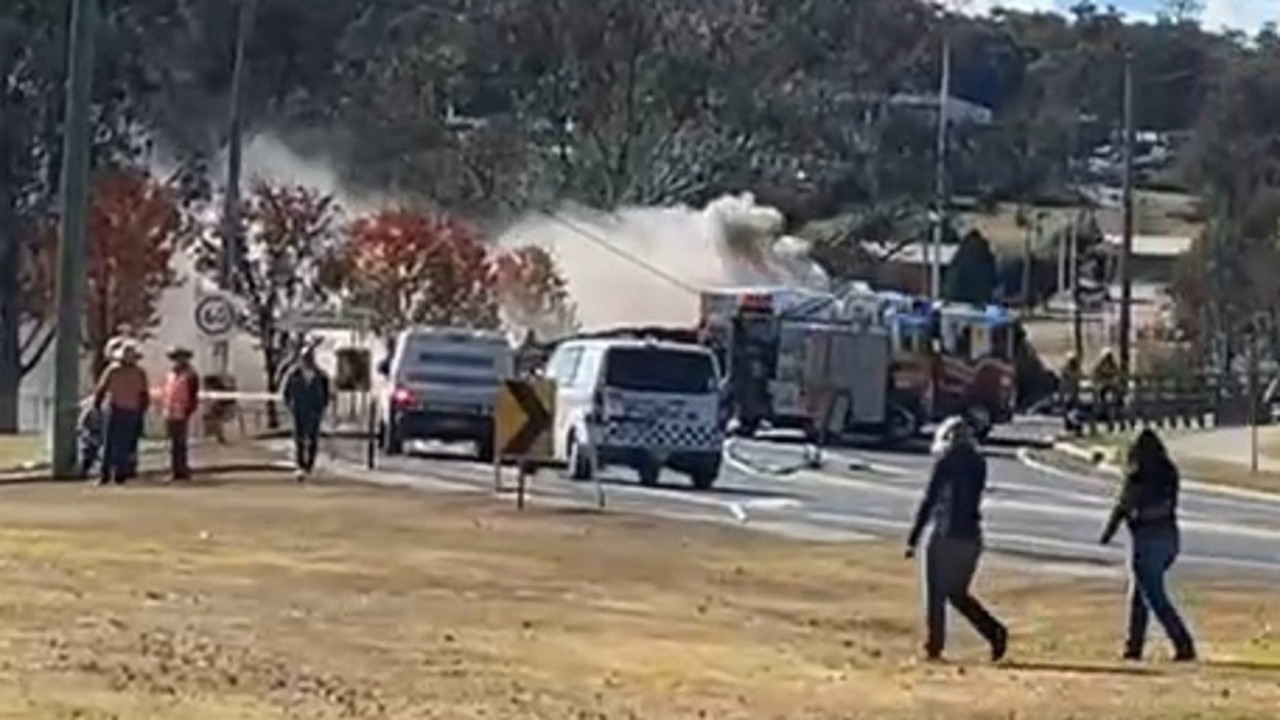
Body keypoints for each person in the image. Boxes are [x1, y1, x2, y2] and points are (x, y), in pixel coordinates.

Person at [906, 415, 1008, 662]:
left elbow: (930, 500)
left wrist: (913, 538)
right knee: (957, 593)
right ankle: (994, 631)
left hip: (945, 533)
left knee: (936, 593)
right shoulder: (979, 463)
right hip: (972, 536)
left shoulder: (946, 462)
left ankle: (934, 646)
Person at [1100, 429, 1197, 662]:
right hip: (1170, 537)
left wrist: (1107, 534)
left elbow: (1122, 507)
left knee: (1154, 597)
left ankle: (1183, 643)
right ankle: (1133, 647)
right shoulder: (1170, 473)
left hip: (1145, 539)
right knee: (1139, 595)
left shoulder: (1137, 477)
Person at [92, 340, 150, 485]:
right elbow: (101, 388)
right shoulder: (113, 370)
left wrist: (141, 410)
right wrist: (97, 405)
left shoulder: (139, 373)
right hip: (114, 408)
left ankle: (120, 474)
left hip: (131, 410)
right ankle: (105, 474)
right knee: (109, 443)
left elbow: (144, 394)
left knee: (124, 444)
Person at [282, 348, 331, 481]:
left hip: (314, 410)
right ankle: (300, 465)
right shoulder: (294, 375)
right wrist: (291, 406)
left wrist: (321, 407)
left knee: (313, 439)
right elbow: (286, 393)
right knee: (299, 439)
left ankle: (309, 465)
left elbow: (326, 394)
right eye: (305, 357)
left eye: (309, 357)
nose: (307, 360)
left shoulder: (321, 376)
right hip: (299, 410)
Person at [161, 346, 201, 481]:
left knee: (180, 443)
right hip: (169, 411)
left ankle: (181, 470)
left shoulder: (190, 374)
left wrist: (188, 410)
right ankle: (175, 470)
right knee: (172, 443)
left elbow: (193, 394)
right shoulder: (170, 374)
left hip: (182, 412)